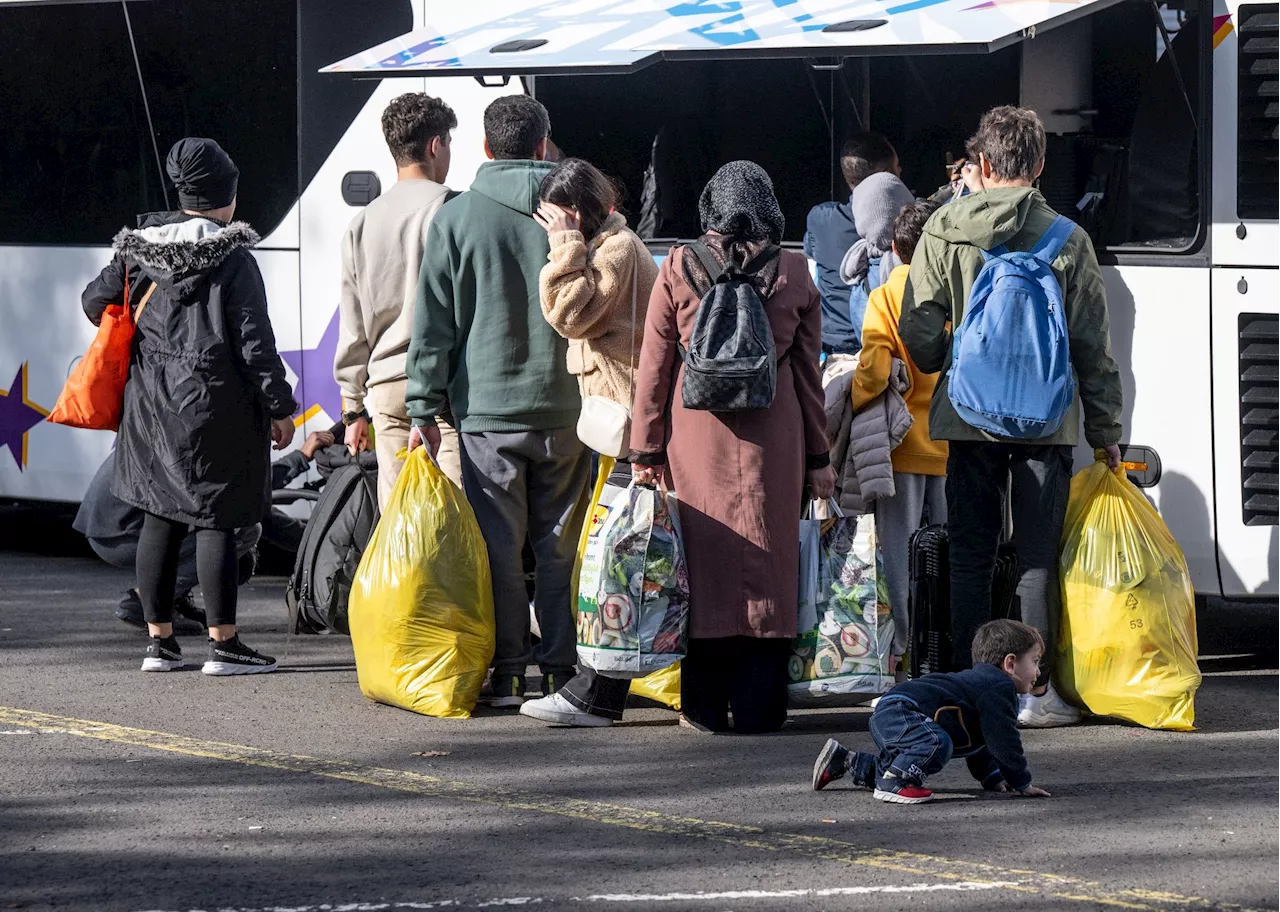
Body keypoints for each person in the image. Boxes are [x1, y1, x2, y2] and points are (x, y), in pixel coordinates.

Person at [900, 106, 1124, 727]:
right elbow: (1092, 349)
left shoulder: (943, 229)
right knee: (1034, 557)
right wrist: (1107, 433)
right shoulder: (1068, 237)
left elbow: (918, 334)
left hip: (968, 419)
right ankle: (1033, 694)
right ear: (1041, 165)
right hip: (1048, 422)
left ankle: (975, 687)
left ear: (985, 164)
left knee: (970, 553)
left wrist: (958, 356)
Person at [630, 161, 834, 734]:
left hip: (696, 439)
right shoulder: (793, 271)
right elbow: (808, 379)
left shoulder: (678, 265)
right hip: (778, 439)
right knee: (771, 563)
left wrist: (645, 453)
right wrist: (819, 459)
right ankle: (761, 706)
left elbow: (654, 370)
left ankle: (702, 706)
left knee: (704, 564)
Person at [81, 137, 297, 676]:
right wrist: (279, 405)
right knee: (216, 522)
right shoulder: (234, 257)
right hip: (217, 408)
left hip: (151, 406)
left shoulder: (137, 249)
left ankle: (161, 644)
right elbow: (254, 343)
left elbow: (93, 302)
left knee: (160, 516)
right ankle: (224, 646)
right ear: (226, 195)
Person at [407, 95, 592, 708]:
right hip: (569, 409)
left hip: (486, 414)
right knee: (560, 548)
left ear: (487, 149)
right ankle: (563, 671)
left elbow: (433, 325)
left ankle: (510, 670)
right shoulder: (578, 210)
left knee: (499, 552)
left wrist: (421, 407)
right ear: (544, 146)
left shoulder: (456, 219)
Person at [518, 157, 660, 727]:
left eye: (554, 217)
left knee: (618, 563)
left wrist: (564, 246)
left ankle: (596, 695)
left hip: (633, 430)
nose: (548, 227)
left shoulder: (616, 249)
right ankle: (598, 690)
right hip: (625, 426)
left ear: (574, 212)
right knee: (617, 560)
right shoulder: (613, 242)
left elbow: (569, 313)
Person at [335, 93, 462, 505]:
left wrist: (353, 409)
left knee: (400, 519)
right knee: (455, 518)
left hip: (387, 389)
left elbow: (352, 327)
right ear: (435, 145)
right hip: (444, 387)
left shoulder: (361, 222)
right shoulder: (453, 210)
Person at [849, 199, 947, 676]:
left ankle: (904, 655)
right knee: (948, 554)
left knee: (899, 556)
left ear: (894, 246)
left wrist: (849, 392)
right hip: (952, 445)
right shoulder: (955, 293)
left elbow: (873, 372)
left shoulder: (885, 297)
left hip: (903, 448)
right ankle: (946, 649)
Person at [810, 619, 1053, 804]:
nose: (1039, 672)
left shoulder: (983, 687)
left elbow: (983, 741)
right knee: (935, 742)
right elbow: (1003, 740)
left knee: (900, 762)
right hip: (903, 710)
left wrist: (992, 777)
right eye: (1035, 661)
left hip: (894, 709)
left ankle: (845, 760)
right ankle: (895, 784)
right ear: (1010, 664)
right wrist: (1021, 781)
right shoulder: (998, 686)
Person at [74, 452, 261, 636]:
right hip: (123, 534)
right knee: (243, 530)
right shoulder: (202, 438)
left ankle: (172, 601)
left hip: (105, 526)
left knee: (197, 518)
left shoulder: (163, 424)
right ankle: (146, 601)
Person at [804, 133, 899, 356]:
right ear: (885, 176)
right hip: (884, 348)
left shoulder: (820, 219)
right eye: (897, 167)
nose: (900, 173)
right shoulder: (904, 222)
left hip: (833, 349)